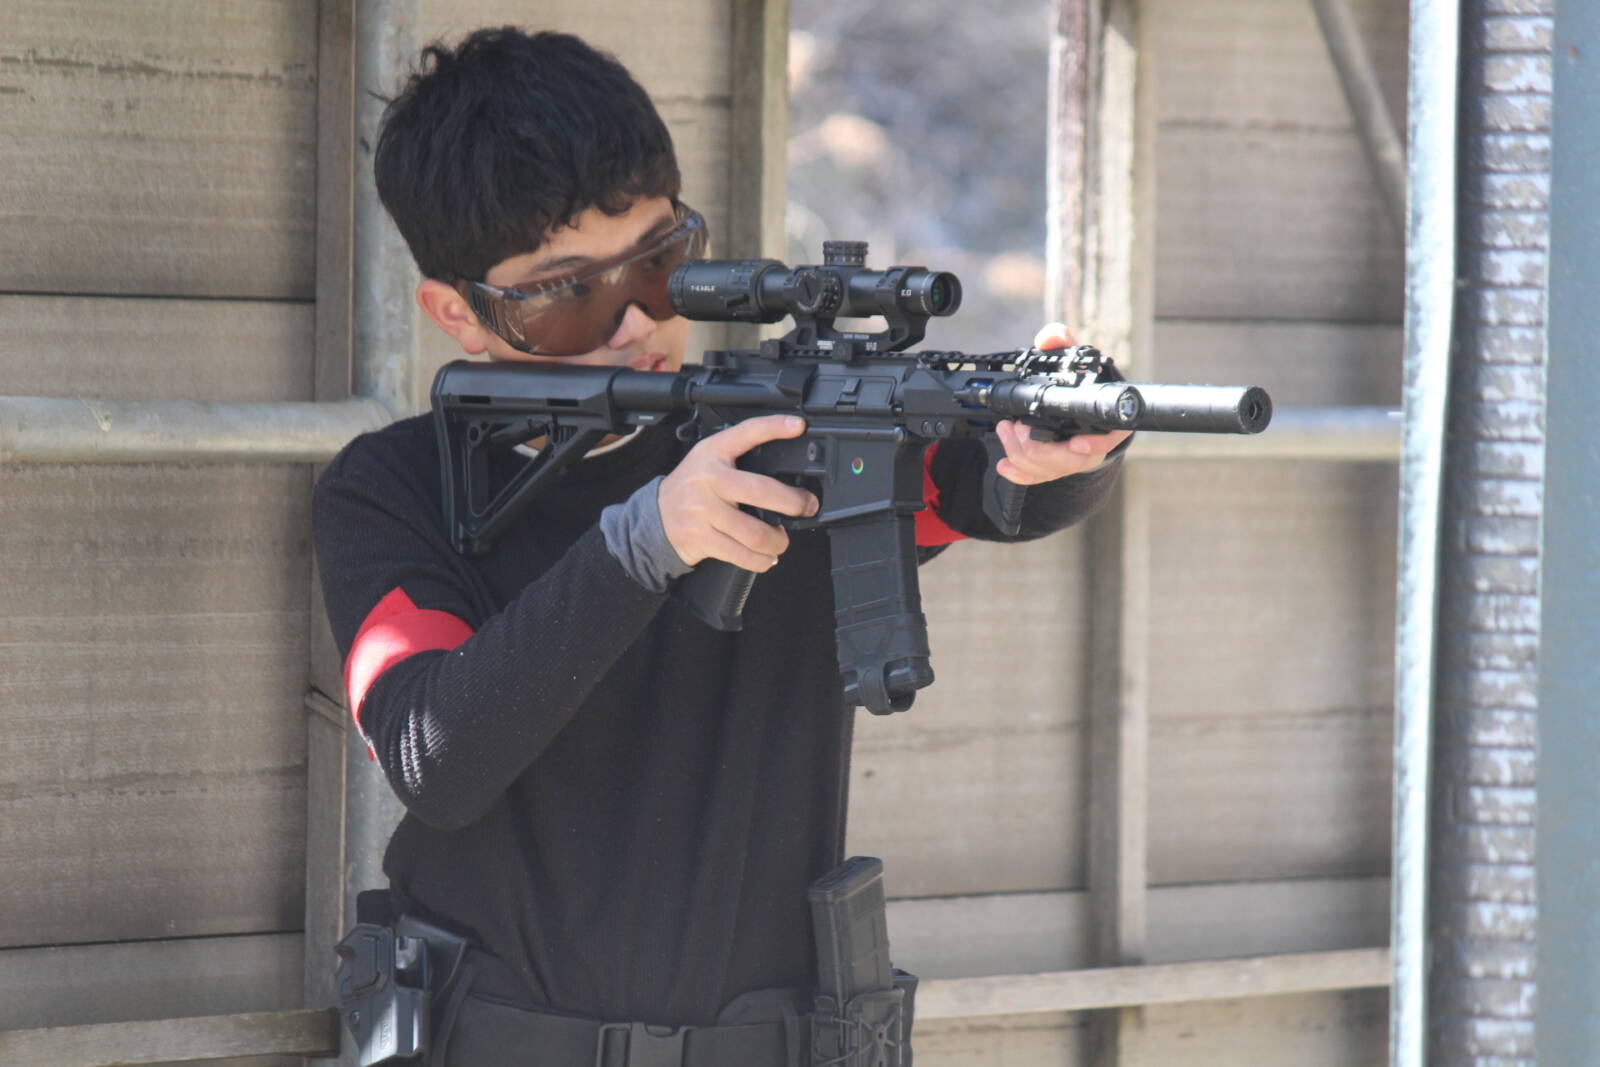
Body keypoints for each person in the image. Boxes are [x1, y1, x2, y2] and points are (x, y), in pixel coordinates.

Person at [313, 25, 1131, 1066]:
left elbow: (988, 489)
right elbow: (435, 756)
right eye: (568, 293)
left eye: (658, 264)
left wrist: (1062, 451)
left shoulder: (778, 437)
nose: (633, 321)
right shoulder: (392, 488)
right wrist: (643, 543)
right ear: (457, 314)